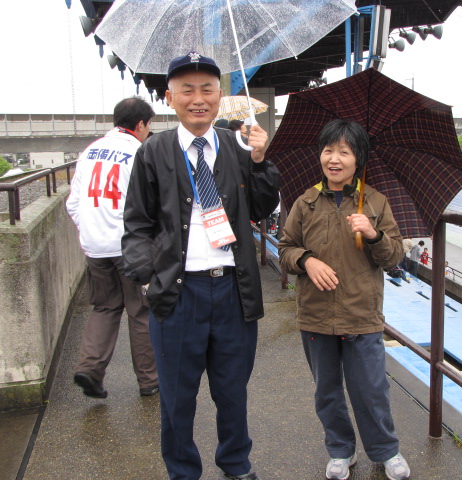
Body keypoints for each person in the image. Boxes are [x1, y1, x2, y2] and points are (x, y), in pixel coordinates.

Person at [122, 52, 280, 480]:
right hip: (178, 295)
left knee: (233, 392)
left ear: (221, 96)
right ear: (169, 97)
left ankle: (236, 464)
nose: (197, 98)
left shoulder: (239, 146)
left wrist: (262, 160)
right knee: (177, 398)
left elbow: (264, 207)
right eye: (186, 90)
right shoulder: (153, 152)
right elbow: (136, 223)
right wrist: (146, 275)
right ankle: (182, 471)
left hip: (232, 291)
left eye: (207, 89)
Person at [278, 119, 410, 480]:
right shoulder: (305, 203)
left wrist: (372, 234)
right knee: (327, 392)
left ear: (358, 159)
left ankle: (386, 451)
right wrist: (307, 260)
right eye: (328, 150)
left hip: (361, 315)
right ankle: (340, 450)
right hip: (316, 316)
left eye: (344, 152)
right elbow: (285, 249)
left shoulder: (376, 203)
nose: (334, 159)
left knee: (371, 390)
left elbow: (395, 257)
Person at [66, 96, 158, 398]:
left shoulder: (90, 151)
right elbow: (149, 204)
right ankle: (149, 380)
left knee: (104, 307)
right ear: (141, 124)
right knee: (141, 311)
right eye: (149, 125)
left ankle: (89, 368)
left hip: (94, 246)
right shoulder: (139, 152)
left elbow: (73, 203)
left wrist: (91, 232)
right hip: (129, 245)